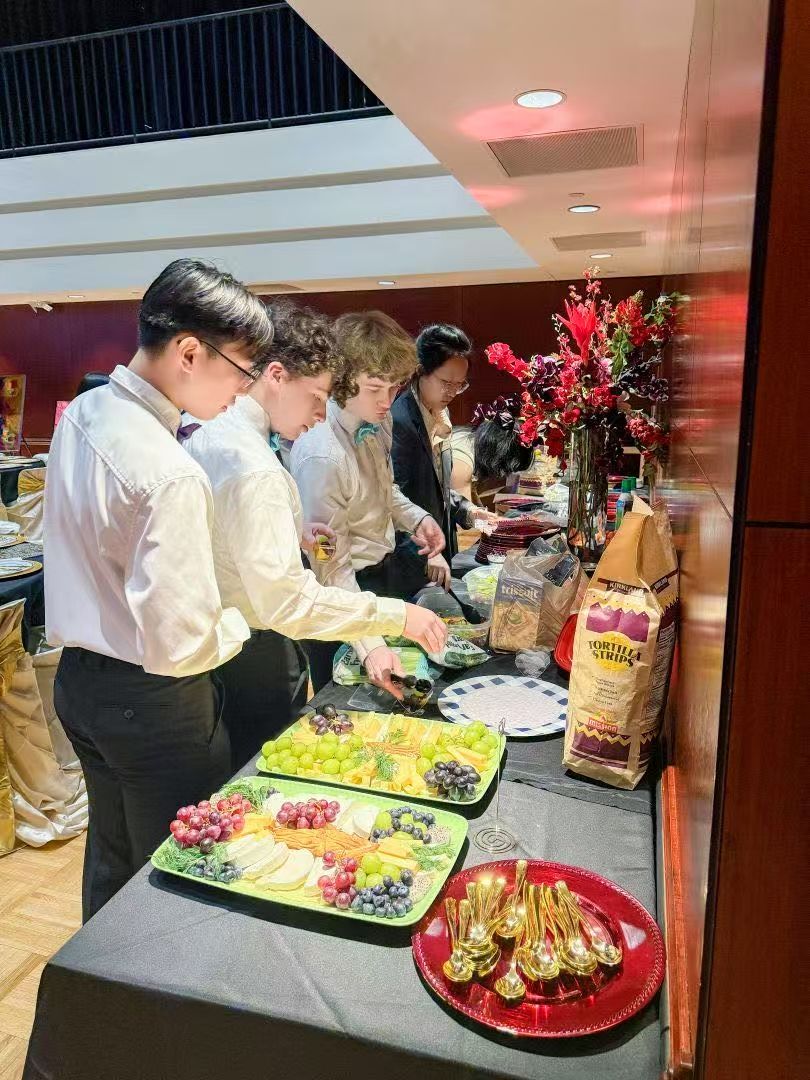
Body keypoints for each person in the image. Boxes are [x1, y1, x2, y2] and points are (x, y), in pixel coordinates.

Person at [44, 258, 273, 920]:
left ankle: (97, 1012)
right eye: (242, 369)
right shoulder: (170, 471)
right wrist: (235, 618)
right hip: (154, 703)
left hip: (80, 686)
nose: (244, 389)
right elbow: (180, 647)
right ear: (191, 352)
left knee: (112, 865)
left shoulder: (84, 411)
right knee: (180, 892)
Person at [184, 302, 447, 768]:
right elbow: (291, 600)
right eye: (318, 395)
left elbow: (225, 534)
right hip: (255, 641)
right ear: (276, 376)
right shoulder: (263, 464)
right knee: (266, 769)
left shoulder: (220, 435)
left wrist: (295, 533)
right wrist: (388, 623)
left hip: (229, 638)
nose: (320, 413)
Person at [291, 311, 446, 691]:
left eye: (394, 389)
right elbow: (328, 564)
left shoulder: (379, 422)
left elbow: (385, 490)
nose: (386, 401)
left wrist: (417, 518)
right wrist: (369, 643)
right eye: (375, 388)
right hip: (342, 594)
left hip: (381, 578)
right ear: (341, 379)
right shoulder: (321, 453)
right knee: (344, 709)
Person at [391, 323, 497, 586]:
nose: (452, 392)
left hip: (438, 549)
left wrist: (470, 512)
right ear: (420, 372)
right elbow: (395, 501)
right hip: (413, 558)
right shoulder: (401, 421)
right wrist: (423, 554)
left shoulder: (438, 414)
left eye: (459, 385)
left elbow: (435, 486)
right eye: (446, 382)